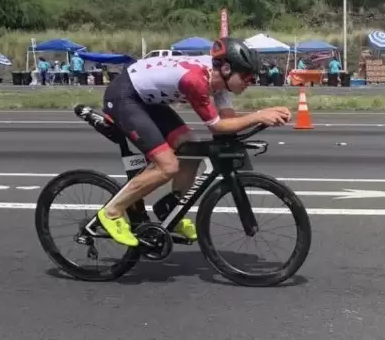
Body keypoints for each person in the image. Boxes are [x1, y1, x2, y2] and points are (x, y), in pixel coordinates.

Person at [98, 37, 291, 247]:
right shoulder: (196, 80)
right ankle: (111, 212)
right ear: (226, 69)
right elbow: (217, 126)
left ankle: (171, 210)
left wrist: (261, 120)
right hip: (125, 97)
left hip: (148, 100)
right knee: (168, 166)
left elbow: (229, 123)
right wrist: (259, 115)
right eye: (246, 76)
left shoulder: (221, 83)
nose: (250, 82)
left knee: (191, 148)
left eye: (252, 78)